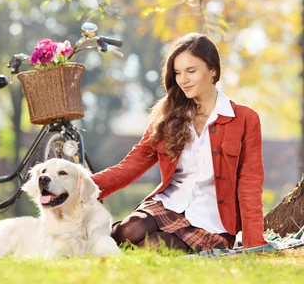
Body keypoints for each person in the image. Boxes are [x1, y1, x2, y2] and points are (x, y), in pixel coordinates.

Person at [91, 32, 268, 253]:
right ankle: (100, 244)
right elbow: (131, 165)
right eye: (177, 73)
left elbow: (250, 183)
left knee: (153, 246)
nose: (183, 80)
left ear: (213, 70)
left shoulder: (244, 119)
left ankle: (120, 256)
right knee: (129, 230)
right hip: (168, 205)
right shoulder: (168, 115)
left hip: (211, 223)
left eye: (191, 71)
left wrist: (254, 242)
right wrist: (80, 187)